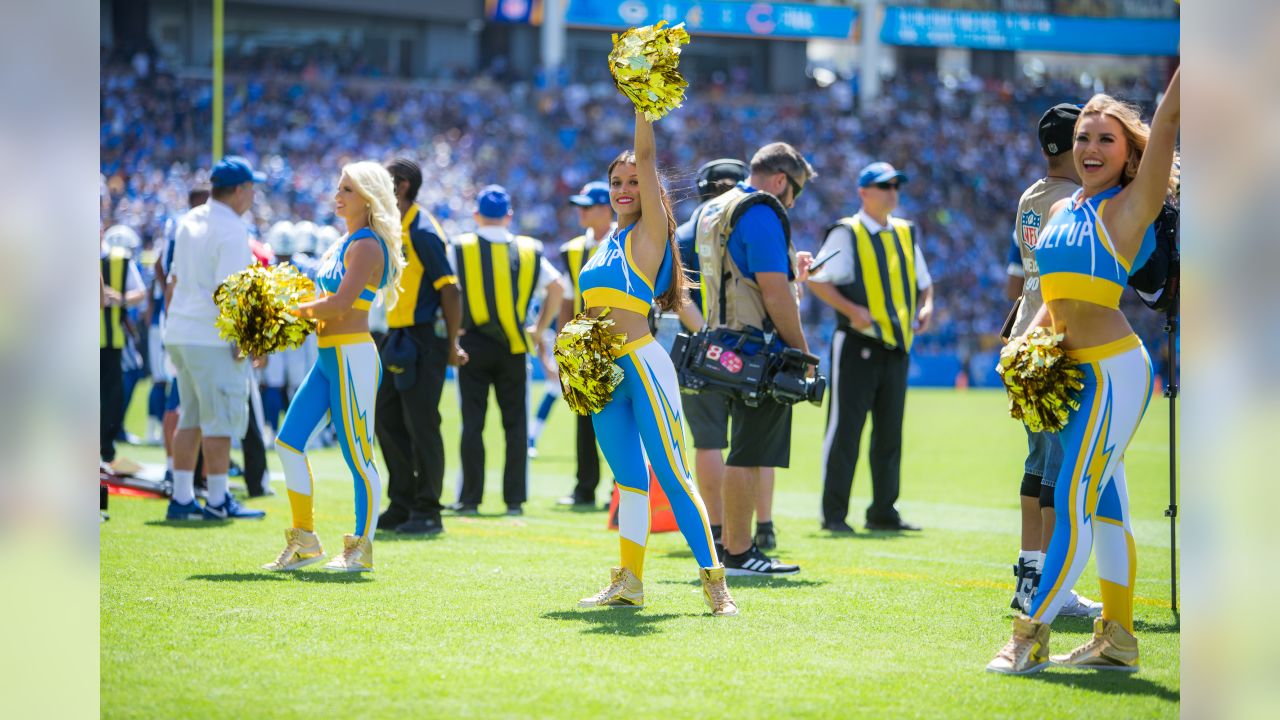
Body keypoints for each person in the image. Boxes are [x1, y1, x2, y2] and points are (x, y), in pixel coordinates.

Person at [988, 68, 1180, 674]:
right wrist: (1030, 346)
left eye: (1106, 139)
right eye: (1083, 138)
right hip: (1069, 374)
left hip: (1113, 373)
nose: (1091, 148)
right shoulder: (1068, 206)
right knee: (1106, 506)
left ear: (1130, 156)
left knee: (1070, 499)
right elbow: (1053, 294)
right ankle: (1117, 639)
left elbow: (1170, 120)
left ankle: (1028, 636)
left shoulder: (1131, 205)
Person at [575, 111, 736, 616]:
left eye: (631, 182)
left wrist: (642, 107)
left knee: (672, 473)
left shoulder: (650, 232)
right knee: (627, 481)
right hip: (604, 374)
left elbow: (645, 157)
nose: (623, 189)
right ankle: (629, 583)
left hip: (644, 364)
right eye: (614, 183)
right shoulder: (604, 243)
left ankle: (716, 585)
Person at [263, 161, 405, 572]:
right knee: (288, 442)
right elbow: (322, 301)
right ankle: (304, 539)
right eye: (339, 188)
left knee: (359, 456)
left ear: (368, 198)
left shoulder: (367, 244)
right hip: (328, 358)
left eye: (348, 190)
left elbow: (341, 303)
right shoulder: (341, 244)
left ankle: (361, 549)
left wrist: (287, 311)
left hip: (352, 356)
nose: (338, 196)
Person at [694, 142, 813, 576]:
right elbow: (774, 292)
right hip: (755, 345)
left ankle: (730, 548)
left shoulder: (714, 206)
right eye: (795, 190)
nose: (794, 201)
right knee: (747, 450)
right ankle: (740, 553)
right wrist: (800, 350)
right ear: (781, 179)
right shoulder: (760, 209)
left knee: (729, 447)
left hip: (718, 337)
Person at [1003, 103, 1101, 619]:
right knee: (1060, 471)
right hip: (1056, 343)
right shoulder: (1074, 200)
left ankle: (1029, 575)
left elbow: (1020, 278)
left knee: (1038, 464)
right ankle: (1050, 586)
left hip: (1023, 340)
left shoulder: (1031, 196)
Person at [807, 161, 935, 534]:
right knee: (845, 430)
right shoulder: (848, 232)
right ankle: (834, 515)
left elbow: (924, 282)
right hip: (856, 345)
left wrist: (926, 307)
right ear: (863, 192)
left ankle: (883, 510)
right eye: (884, 185)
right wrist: (851, 310)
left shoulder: (906, 232)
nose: (893, 191)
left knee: (889, 433)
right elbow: (815, 276)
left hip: (896, 347)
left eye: (896, 185)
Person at [674, 158, 778, 553]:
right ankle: (762, 526)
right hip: (754, 347)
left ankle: (717, 529)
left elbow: (677, 293)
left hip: (702, 349)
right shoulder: (756, 221)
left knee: (709, 442)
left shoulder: (685, 232)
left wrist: (704, 335)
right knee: (756, 441)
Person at [162, 156, 267, 521]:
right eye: (251, 188)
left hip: (180, 330)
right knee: (220, 419)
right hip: (209, 335)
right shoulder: (233, 229)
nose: (253, 195)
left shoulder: (188, 219)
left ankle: (182, 497)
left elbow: (172, 278)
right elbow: (230, 292)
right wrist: (244, 338)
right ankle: (219, 499)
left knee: (190, 416)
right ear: (239, 190)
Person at [451, 185, 564, 516]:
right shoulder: (529, 249)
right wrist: (539, 330)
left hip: (471, 343)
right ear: (509, 216)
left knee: (473, 423)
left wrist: (453, 329)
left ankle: (469, 499)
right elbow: (557, 288)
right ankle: (514, 501)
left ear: (476, 215)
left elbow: (445, 289)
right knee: (515, 426)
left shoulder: (459, 247)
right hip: (515, 346)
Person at [374, 158, 466, 536]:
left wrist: (452, 342)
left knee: (422, 424)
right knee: (386, 419)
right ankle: (402, 501)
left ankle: (429, 509)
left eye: (383, 181)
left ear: (403, 185)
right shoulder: (394, 226)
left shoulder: (424, 230)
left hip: (424, 337)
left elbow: (450, 289)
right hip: (397, 335)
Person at [553, 181, 613, 507]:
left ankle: (622, 490)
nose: (581, 211)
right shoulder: (573, 249)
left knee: (621, 419)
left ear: (606, 209)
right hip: (583, 345)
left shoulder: (624, 242)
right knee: (585, 420)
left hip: (620, 343)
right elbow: (565, 298)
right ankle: (585, 487)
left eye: (587, 206)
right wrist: (564, 343)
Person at [100, 224, 147, 475]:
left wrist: (120, 297)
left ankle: (105, 449)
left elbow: (140, 292)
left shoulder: (119, 260)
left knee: (111, 398)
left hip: (110, 338)